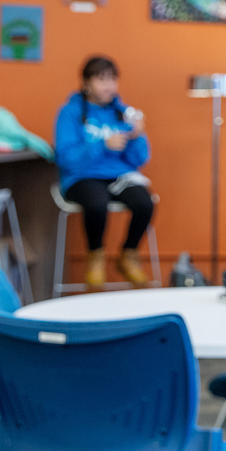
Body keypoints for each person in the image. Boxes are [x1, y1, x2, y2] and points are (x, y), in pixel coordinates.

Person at [54, 55, 154, 290]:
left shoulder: (125, 113)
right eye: (101, 79)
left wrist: (138, 136)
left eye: (112, 79)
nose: (108, 86)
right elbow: (65, 158)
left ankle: (128, 255)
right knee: (97, 203)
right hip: (81, 176)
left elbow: (139, 160)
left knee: (144, 202)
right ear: (86, 83)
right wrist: (102, 146)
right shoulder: (70, 112)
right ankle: (95, 260)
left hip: (119, 175)